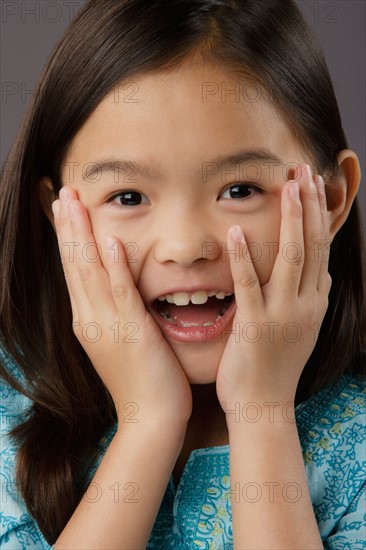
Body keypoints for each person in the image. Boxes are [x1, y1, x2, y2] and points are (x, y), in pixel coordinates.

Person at [0, 0, 365, 548]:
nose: (184, 247)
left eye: (240, 191)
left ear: (332, 199)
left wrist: (262, 413)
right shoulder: (10, 412)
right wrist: (147, 423)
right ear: (59, 215)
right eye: (128, 195)